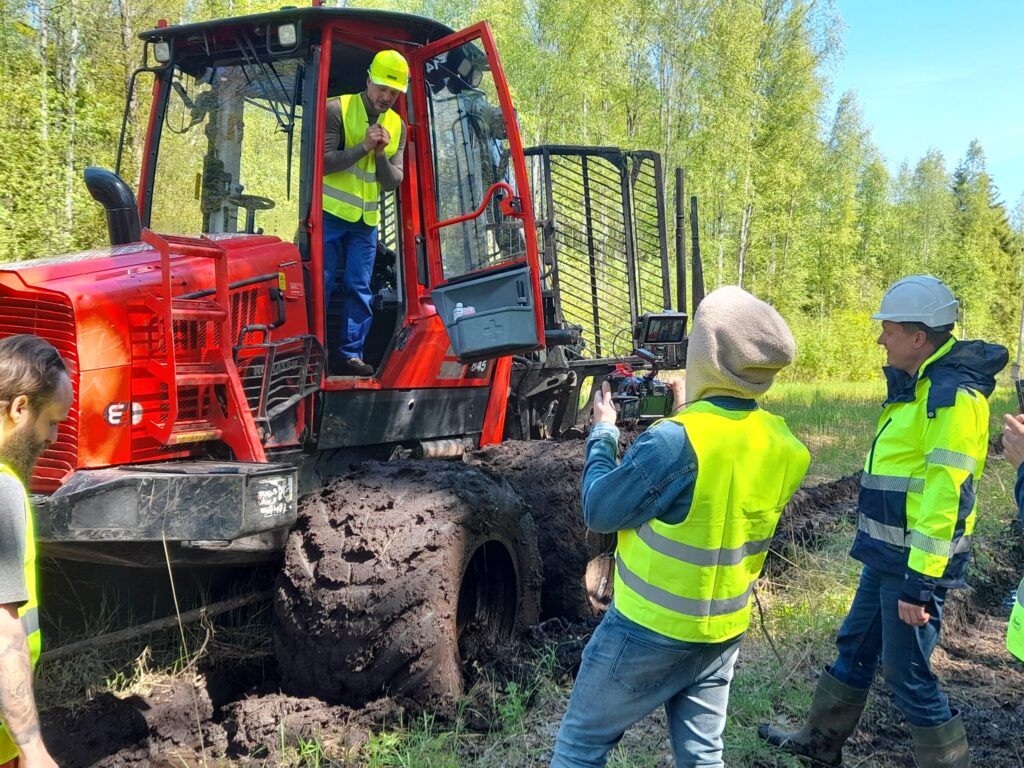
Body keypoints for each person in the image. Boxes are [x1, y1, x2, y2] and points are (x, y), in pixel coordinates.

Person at [550, 286, 811, 768]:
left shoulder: (674, 440)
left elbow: (600, 510)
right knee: (702, 757)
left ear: (707, 355)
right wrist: (693, 410)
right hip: (721, 633)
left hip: (646, 629)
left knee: (579, 747)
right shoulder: (786, 446)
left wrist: (604, 433)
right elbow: (717, 478)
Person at [760, 275, 1008, 768]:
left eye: (888, 330)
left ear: (919, 338)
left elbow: (945, 496)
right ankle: (820, 742)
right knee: (855, 644)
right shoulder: (922, 387)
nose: (880, 340)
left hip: (913, 564)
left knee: (908, 673)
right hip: (887, 555)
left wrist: (919, 584)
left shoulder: (950, 398)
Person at [0, 334, 73, 768]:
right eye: (51, 422)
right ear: (20, 408)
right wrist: (32, 748)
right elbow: (3, 629)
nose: (53, 437)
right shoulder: (3, 488)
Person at [322, 49, 408, 377]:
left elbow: (392, 181)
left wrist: (381, 153)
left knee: (359, 287)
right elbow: (325, 164)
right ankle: (313, 351)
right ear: (368, 80)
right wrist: (362, 147)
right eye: (382, 88)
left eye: (393, 92)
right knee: (323, 283)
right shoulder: (337, 109)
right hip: (329, 215)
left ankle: (350, 356)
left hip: (365, 222)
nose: (386, 97)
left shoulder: (397, 127)